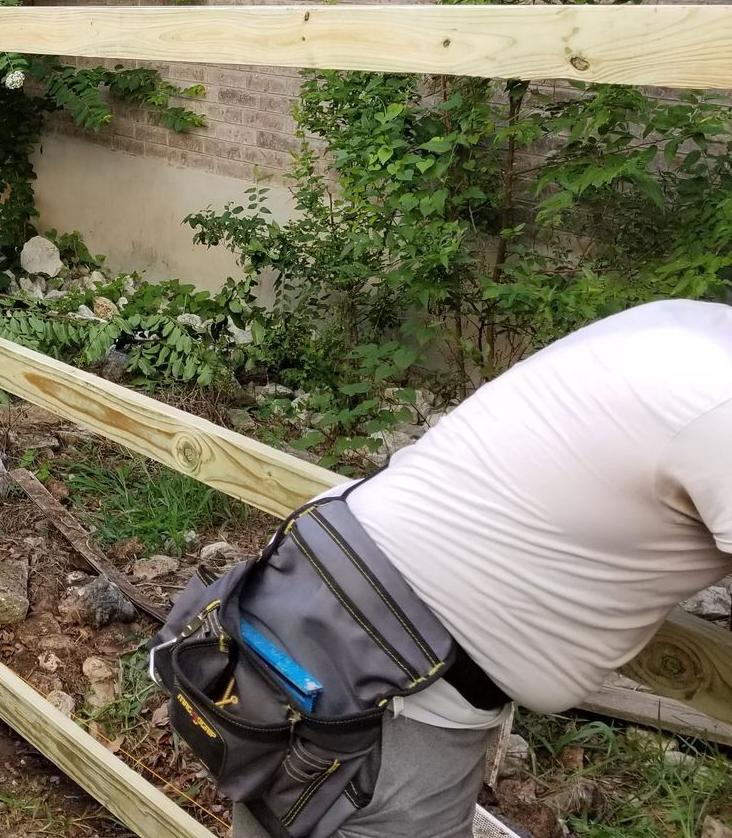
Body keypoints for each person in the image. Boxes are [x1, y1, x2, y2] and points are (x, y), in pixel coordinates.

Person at [233, 298, 732, 838]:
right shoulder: (719, 399)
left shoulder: (679, 324)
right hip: (399, 696)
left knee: (266, 801)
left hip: (301, 587)